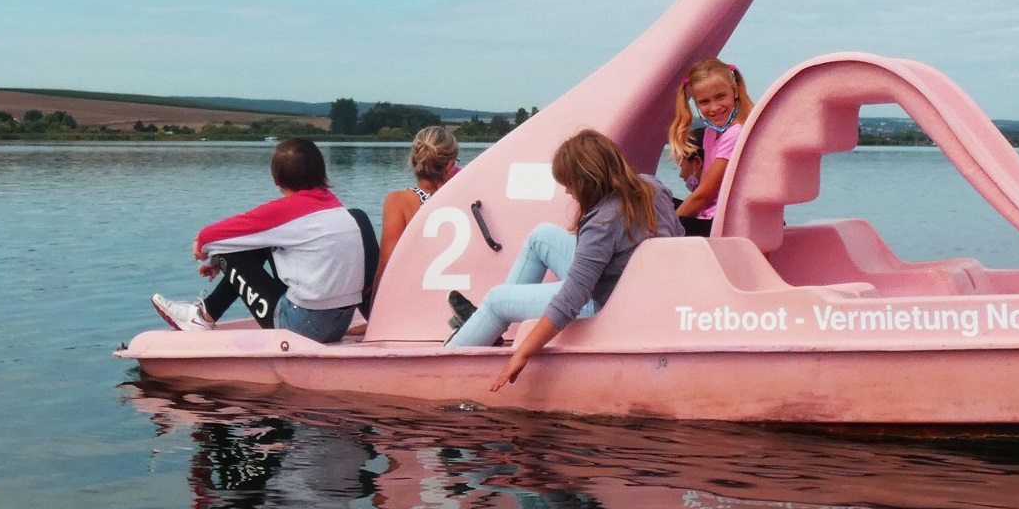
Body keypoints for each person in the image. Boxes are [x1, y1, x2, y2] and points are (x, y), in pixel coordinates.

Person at [446, 128, 680, 391]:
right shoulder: (652, 187)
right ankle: (495, 329)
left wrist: (522, 354)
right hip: (630, 284)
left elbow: (573, 298)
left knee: (498, 300)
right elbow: (676, 237)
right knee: (541, 236)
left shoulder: (602, 222)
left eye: (569, 184)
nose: (568, 191)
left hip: (607, 301)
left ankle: (443, 366)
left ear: (586, 181)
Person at [151, 137, 365, 344]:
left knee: (232, 247)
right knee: (256, 240)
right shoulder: (335, 207)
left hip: (301, 326)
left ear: (276, 180)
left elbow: (208, 238)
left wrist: (209, 260)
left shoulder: (286, 212)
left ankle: (202, 317)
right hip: (339, 323)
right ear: (321, 173)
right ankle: (206, 312)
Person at [666, 56, 752, 237]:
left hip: (725, 222)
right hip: (709, 215)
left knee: (656, 220)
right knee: (652, 202)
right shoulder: (710, 133)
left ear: (735, 91)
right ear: (696, 103)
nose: (714, 108)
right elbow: (704, 188)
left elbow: (704, 194)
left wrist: (667, 228)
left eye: (720, 97)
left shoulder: (736, 134)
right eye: (704, 102)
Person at [375, 126, 459, 293]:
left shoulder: (399, 201)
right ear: (450, 166)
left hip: (410, 294)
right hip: (452, 296)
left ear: (414, 161)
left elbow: (387, 265)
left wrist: (374, 313)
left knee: (360, 220)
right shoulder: (464, 201)